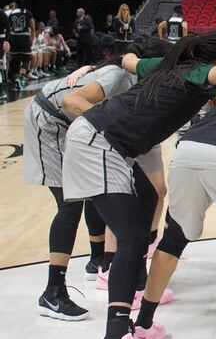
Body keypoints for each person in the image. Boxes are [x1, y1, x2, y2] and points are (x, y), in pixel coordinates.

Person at [60, 31, 216, 339]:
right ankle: (116, 334)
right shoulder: (196, 73)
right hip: (99, 142)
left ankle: (135, 293)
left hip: (111, 143)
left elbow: (127, 59)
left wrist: (90, 67)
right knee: (132, 236)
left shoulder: (164, 66)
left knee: (151, 197)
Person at [26, 57, 136, 322]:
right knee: (70, 202)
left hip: (70, 122)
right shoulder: (118, 74)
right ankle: (52, 293)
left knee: (92, 184)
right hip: (49, 120)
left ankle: (96, 259)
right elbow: (72, 101)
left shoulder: (129, 77)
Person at [7, 0, 36, 89]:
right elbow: (33, 28)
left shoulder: (11, 13)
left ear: (16, 4)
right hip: (23, 37)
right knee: (26, 59)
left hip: (13, 37)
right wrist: (32, 40)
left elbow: (8, 27)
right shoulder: (28, 13)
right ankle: (20, 78)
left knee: (15, 58)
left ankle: (12, 77)